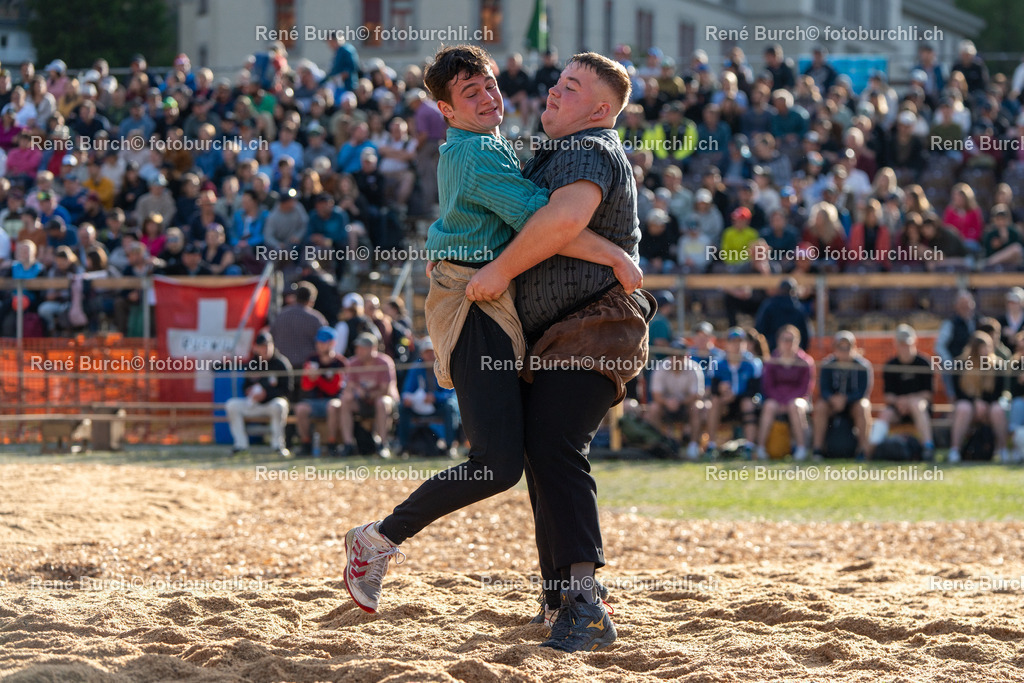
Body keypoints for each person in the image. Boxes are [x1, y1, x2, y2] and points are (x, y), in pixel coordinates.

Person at [343, 47, 642, 655]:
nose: (554, 91)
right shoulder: (487, 152)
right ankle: (387, 541)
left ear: (603, 109)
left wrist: (497, 270)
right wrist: (613, 254)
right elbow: (536, 217)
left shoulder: (563, 148)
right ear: (445, 110)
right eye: (468, 92)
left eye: (488, 86)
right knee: (513, 460)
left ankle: (569, 595)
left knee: (528, 456)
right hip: (493, 312)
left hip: (538, 318)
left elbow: (551, 222)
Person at [870, 324, 935, 459]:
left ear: (914, 342)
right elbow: (888, 396)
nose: (905, 347)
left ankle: (928, 447)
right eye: (902, 344)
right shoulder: (891, 365)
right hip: (898, 409)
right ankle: (870, 450)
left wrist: (909, 400)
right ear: (896, 344)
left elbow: (928, 394)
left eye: (907, 344)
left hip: (919, 408)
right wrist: (900, 402)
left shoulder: (924, 363)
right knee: (885, 414)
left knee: (917, 405)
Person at [224, 331, 293, 457]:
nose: (265, 349)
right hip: (255, 404)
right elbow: (245, 385)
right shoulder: (253, 363)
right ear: (256, 348)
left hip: (271, 405)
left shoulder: (281, 363)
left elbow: (287, 389)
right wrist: (249, 391)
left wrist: (267, 394)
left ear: (273, 345)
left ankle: (278, 446)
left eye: (267, 345)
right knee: (232, 405)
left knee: (280, 405)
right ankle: (241, 445)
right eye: (262, 346)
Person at [947, 331, 1009, 464]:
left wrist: (984, 403)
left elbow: (998, 393)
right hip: (969, 406)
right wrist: (975, 402)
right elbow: (959, 393)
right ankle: (954, 450)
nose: (985, 351)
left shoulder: (997, 365)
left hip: (989, 407)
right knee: (964, 408)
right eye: (982, 348)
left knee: (997, 410)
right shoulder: (960, 364)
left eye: (987, 347)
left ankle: (1003, 451)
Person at [756, 325, 814, 460]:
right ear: (778, 341)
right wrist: (781, 400)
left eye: (791, 340)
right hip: (776, 399)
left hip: (798, 399)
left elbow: (805, 388)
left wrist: (787, 401)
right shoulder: (772, 361)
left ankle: (801, 448)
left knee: (795, 406)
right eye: (785, 339)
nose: (788, 343)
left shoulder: (805, 361)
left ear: (798, 342)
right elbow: (768, 386)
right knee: (769, 406)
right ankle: (760, 447)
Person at [812, 331, 873, 459]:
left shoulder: (864, 366)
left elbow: (863, 392)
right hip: (832, 405)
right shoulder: (827, 365)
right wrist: (834, 399)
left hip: (853, 405)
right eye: (841, 347)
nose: (844, 351)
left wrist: (845, 399)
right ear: (834, 348)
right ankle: (818, 449)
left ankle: (863, 450)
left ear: (854, 348)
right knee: (820, 407)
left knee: (863, 406)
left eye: (848, 347)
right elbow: (824, 390)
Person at [397, 338, 459, 458]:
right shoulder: (415, 368)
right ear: (422, 354)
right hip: (420, 405)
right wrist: (407, 398)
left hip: (439, 405)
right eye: (427, 352)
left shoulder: (445, 367)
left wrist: (435, 397)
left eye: (432, 352)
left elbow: (451, 392)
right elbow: (407, 390)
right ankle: (403, 447)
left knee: (450, 407)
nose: (430, 355)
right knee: (402, 408)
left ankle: (450, 446)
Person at [706, 327, 763, 457]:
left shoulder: (753, 363)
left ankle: (749, 447)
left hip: (745, 400)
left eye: (740, 342)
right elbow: (713, 388)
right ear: (727, 344)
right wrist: (721, 390)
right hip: (724, 402)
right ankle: (711, 446)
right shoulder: (717, 363)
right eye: (733, 342)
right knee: (714, 401)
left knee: (747, 403)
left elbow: (754, 389)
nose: (737, 345)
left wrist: (735, 394)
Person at [339, 332, 398, 458]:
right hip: (362, 401)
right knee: (345, 401)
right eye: (358, 347)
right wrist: (356, 391)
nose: (358, 351)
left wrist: (366, 393)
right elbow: (349, 388)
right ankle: (348, 445)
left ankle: (383, 445)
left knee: (382, 402)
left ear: (373, 348)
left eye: (363, 348)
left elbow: (385, 390)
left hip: (383, 401)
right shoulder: (353, 363)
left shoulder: (384, 362)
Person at [294, 326, 348, 457]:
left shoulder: (340, 363)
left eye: (323, 342)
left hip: (333, 400)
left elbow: (333, 389)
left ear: (332, 343)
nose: (320, 345)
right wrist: (310, 378)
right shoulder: (311, 360)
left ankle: (331, 444)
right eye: (318, 342)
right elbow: (305, 386)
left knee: (333, 406)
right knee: (300, 408)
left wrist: (317, 378)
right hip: (314, 401)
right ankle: (306, 444)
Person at [647, 354, 705, 459]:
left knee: (697, 407)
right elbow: (656, 395)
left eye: (680, 357)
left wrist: (680, 402)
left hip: (686, 405)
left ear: (686, 357)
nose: (677, 360)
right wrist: (667, 402)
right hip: (665, 405)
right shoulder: (661, 367)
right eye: (675, 357)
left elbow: (696, 395)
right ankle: (660, 445)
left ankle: (693, 446)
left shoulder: (694, 368)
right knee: (653, 408)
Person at [270, 281, 328, 370]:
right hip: (307, 368)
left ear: (295, 297)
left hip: (282, 367)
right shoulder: (316, 319)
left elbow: (271, 337)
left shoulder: (281, 315)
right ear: (311, 300)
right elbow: (326, 343)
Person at [754, 277, 811, 352]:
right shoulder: (799, 309)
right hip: (794, 354)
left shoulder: (769, 305)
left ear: (780, 290)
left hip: (772, 352)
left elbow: (759, 329)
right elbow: (806, 336)